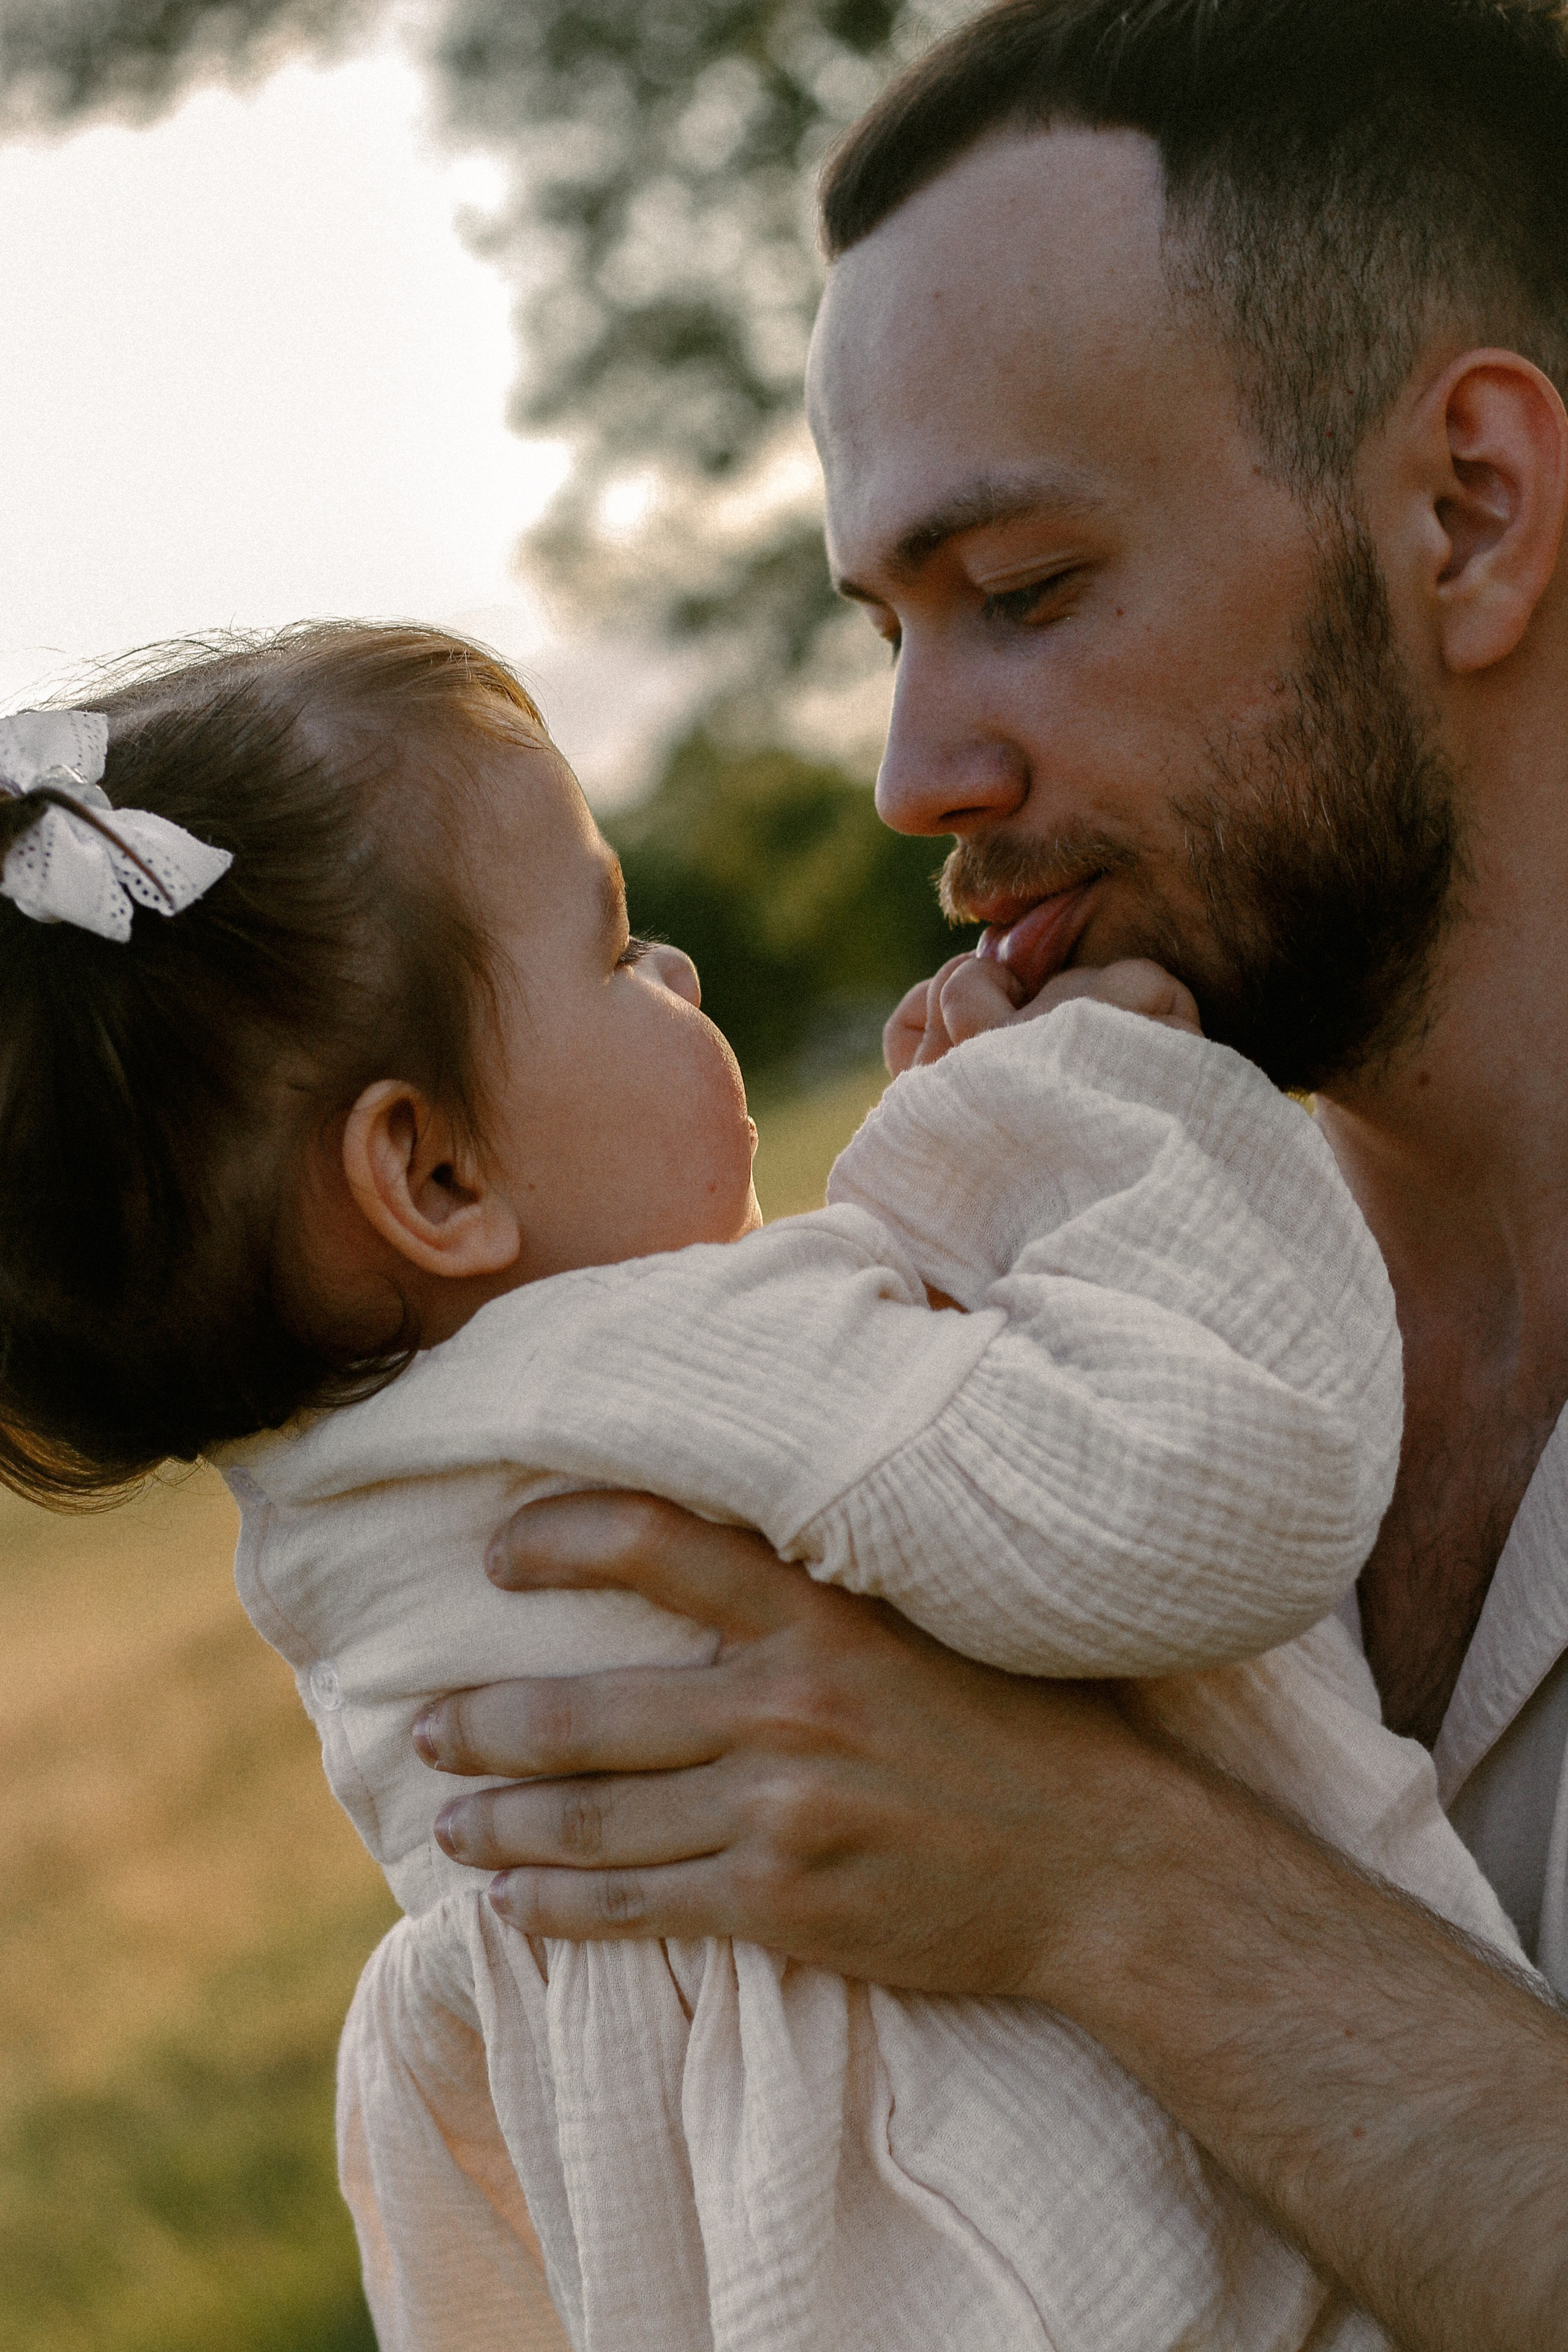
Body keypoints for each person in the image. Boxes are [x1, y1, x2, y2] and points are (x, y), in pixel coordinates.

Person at [407, 7, 1568, 2348]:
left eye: (1025, 589)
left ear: (1469, 509)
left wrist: (1089, 1881)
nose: (918, 773)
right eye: (886, 630)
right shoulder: (1018, 1347)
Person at [0, 633, 1507, 2346]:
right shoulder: (658, 1377)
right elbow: (1206, 1492)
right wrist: (1098, 1107)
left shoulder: (365, 1516)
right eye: (617, 945)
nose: (687, 971)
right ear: (431, 1174)